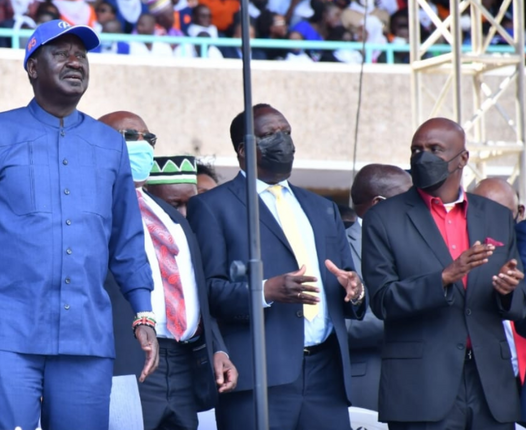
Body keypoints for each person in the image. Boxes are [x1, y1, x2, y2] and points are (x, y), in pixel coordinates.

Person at [0, 20, 158, 430]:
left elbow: (127, 240)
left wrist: (143, 312)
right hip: (8, 333)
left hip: (87, 336)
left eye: (81, 54)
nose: (75, 61)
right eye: (61, 53)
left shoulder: (109, 143)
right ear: (33, 67)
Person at [187, 103, 365, 430]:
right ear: (244, 149)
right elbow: (208, 291)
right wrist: (265, 290)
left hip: (327, 374)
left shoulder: (322, 208)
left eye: (287, 132)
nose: (284, 141)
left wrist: (355, 290)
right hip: (259, 378)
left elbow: (348, 279)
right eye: (271, 134)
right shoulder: (212, 207)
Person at [362, 118, 526, 429]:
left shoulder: (496, 216)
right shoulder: (384, 218)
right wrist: (443, 278)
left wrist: (508, 291)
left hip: (490, 385)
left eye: (435, 149)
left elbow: (519, 306)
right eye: (416, 150)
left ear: (463, 158)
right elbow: (382, 300)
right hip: (421, 387)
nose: (422, 157)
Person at [100, 111, 237, 430]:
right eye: (129, 136)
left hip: (184, 362)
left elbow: (193, 286)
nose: (142, 144)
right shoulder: (89, 209)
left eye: (148, 138)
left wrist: (216, 348)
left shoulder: (169, 215)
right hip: (124, 359)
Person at [345, 163, 412, 411]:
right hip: (369, 385)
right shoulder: (336, 248)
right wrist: (411, 318)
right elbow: (341, 326)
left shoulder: (419, 244)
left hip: (425, 386)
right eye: (408, 199)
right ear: (379, 203)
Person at [470, 178, 526, 421]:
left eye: (499, 215)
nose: (489, 223)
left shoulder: (519, 248)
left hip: (514, 382)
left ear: (519, 213)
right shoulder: (460, 253)